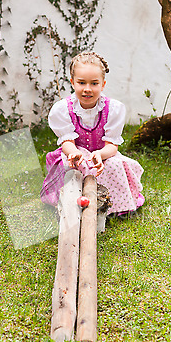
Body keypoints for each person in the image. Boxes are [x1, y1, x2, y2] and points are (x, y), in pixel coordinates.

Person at [40, 51, 144, 217]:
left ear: (102, 84)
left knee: (113, 167)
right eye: (81, 83)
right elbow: (67, 141)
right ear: (73, 82)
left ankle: (112, 206)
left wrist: (100, 154)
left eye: (94, 83)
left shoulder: (113, 109)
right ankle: (72, 204)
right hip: (76, 154)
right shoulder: (62, 109)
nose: (87, 89)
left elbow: (112, 146)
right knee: (71, 167)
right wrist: (73, 152)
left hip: (103, 155)